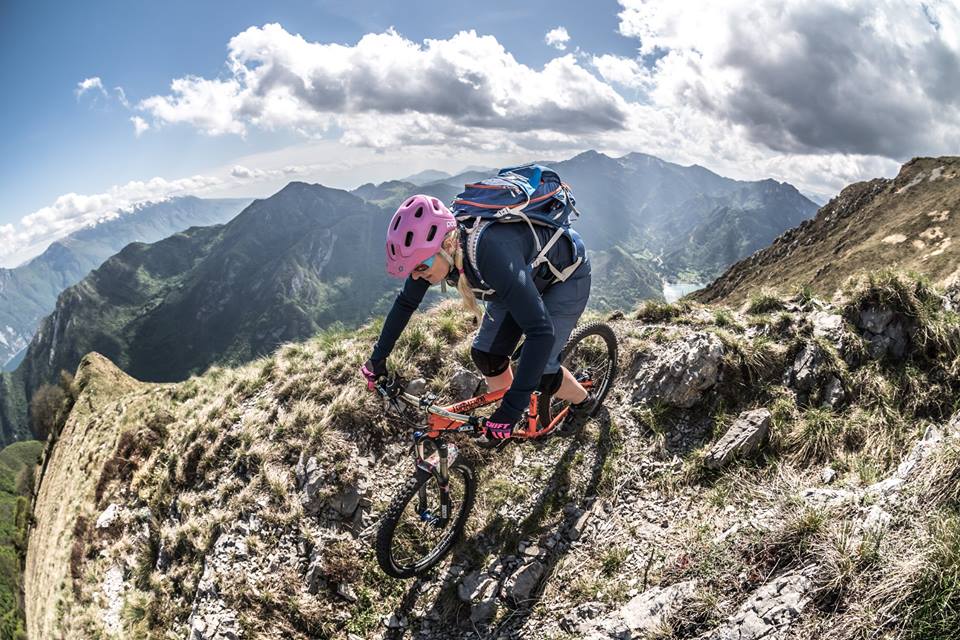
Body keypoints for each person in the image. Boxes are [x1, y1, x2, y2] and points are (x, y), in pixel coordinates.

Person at [361, 194, 594, 439]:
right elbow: (406, 303)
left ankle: (583, 402)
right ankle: (513, 412)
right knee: (487, 355)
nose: (416, 277)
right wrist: (377, 358)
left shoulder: (489, 251)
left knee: (542, 371)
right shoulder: (434, 255)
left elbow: (541, 333)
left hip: (564, 276)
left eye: (420, 267)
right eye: (412, 270)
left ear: (448, 246)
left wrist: (509, 411)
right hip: (519, 279)